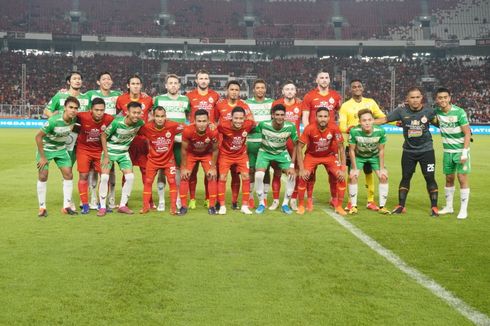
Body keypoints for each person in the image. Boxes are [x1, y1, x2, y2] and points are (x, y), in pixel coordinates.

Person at [375, 87, 439, 216]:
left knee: (430, 178)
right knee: (405, 177)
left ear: (422, 98)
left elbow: (442, 124)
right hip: (408, 152)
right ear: (407, 99)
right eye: (412, 97)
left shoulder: (429, 111)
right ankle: (401, 206)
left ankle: (434, 207)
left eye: (417, 97)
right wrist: (365, 123)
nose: (415, 100)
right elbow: (384, 120)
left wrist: (462, 128)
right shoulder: (401, 111)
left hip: (427, 151)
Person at [339, 79, 386, 211]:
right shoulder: (345, 106)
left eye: (359, 86)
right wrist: (352, 128)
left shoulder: (370, 102)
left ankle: (370, 201)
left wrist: (369, 124)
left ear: (363, 88)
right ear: (351, 89)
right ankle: (350, 202)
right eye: (354, 87)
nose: (357, 88)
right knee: (352, 173)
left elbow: (383, 118)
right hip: (355, 144)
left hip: (371, 143)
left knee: (369, 172)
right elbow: (342, 126)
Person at [301, 70, 342, 208]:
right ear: (316, 80)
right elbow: (305, 117)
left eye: (326, 77)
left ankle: (334, 198)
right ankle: (310, 199)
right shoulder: (309, 96)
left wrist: (338, 128)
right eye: (321, 78)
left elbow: (340, 113)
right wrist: (310, 134)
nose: (324, 80)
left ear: (329, 80)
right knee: (310, 173)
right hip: (314, 138)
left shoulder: (335, 96)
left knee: (333, 173)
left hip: (331, 140)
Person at [296, 107, 347, 216]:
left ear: (329, 117)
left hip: (329, 156)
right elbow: (299, 147)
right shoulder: (309, 128)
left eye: (325, 116)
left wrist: (343, 168)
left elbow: (341, 148)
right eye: (320, 116)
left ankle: (338, 205)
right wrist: (301, 169)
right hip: (312, 156)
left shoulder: (334, 128)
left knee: (341, 177)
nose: (322, 119)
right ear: (316, 117)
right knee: (303, 176)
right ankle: (302, 204)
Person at [98, 101, 145, 216]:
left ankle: (123, 205)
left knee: (130, 177)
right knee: (104, 177)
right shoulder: (117, 122)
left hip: (123, 152)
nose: (136, 115)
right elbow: (103, 135)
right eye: (133, 112)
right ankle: (103, 207)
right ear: (127, 112)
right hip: (109, 151)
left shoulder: (140, 123)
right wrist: (106, 156)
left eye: (138, 113)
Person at [35, 96, 79, 217]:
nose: (73, 110)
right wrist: (43, 157)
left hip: (61, 149)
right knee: (43, 176)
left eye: (76, 108)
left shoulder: (75, 120)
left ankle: (66, 207)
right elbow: (38, 137)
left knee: (69, 175)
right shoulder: (54, 120)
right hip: (46, 149)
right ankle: (42, 208)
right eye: (70, 107)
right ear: (65, 108)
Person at [85, 71, 122, 210]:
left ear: (112, 82)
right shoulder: (90, 94)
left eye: (109, 79)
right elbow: (79, 101)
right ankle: (93, 197)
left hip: (111, 136)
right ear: (98, 82)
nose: (107, 81)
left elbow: (128, 103)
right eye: (103, 79)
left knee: (110, 169)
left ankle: (111, 198)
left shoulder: (117, 95)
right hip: (94, 136)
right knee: (93, 169)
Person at [116, 75, 154, 207]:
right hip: (127, 141)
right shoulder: (121, 99)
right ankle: (124, 202)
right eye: (133, 83)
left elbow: (155, 114)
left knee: (146, 171)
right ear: (128, 85)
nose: (136, 86)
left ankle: (149, 201)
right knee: (126, 171)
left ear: (141, 86)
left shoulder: (148, 99)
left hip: (143, 141)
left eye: (138, 83)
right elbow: (116, 115)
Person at [153, 74, 190, 211]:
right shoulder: (159, 99)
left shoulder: (185, 100)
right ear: (166, 85)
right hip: (163, 141)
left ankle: (179, 198)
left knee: (179, 170)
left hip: (180, 140)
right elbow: (154, 118)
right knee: (162, 169)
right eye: (170, 83)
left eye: (176, 83)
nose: (173, 85)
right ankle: (162, 200)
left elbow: (188, 119)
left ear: (179, 85)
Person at [139, 106, 184, 215]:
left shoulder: (172, 125)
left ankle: (173, 208)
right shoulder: (146, 127)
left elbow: (188, 127)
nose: (160, 119)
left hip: (169, 160)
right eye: (157, 116)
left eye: (162, 116)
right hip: (153, 160)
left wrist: (208, 125)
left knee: (172, 182)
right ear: (153, 116)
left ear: (165, 117)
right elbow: (134, 128)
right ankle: (145, 207)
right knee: (148, 181)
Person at [215, 80, 253, 210]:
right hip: (223, 148)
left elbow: (251, 121)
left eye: (237, 90)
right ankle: (219, 202)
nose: (234, 92)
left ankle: (235, 202)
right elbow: (213, 123)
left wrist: (241, 132)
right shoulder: (220, 105)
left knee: (236, 176)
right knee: (221, 176)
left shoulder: (244, 105)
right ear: (227, 90)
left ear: (239, 91)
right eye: (232, 89)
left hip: (239, 147)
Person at [434, 88, 472, 219]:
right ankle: (449, 207)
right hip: (447, 152)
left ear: (449, 98)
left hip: (460, 151)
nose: (443, 100)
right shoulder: (437, 112)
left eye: (445, 97)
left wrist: (464, 152)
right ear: (436, 99)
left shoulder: (459, 112)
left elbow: (467, 133)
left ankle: (463, 210)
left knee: (462, 179)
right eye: (440, 97)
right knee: (449, 179)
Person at [185, 69, 220, 209]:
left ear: (209, 80)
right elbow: (186, 115)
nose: (203, 81)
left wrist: (214, 126)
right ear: (196, 80)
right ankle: (192, 199)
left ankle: (207, 198)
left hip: (209, 139)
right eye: (201, 78)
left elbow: (218, 116)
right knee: (191, 172)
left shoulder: (215, 96)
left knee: (209, 172)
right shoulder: (189, 96)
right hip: (193, 138)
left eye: (206, 78)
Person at [254, 104, 298, 215]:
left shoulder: (290, 127)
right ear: (272, 115)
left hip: (281, 153)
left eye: (282, 115)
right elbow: (251, 130)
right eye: (277, 114)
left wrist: (292, 165)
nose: (279, 117)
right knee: (259, 176)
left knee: (292, 175)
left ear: (285, 116)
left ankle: (285, 204)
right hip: (264, 152)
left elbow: (296, 145)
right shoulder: (263, 125)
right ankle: (261, 203)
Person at [75, 97, 114, 214]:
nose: (99, 112)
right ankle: (85, 204)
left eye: (102, 110)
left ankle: (102, 203)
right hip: (83, 150)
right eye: (96, 110)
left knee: (105, 177)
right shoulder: (82, 116)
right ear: (91, 109)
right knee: (83, 175)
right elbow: (67, 116)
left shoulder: (109, 119)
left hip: (100, 151)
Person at [348, 109, 390, 215]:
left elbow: (381, 150)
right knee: (353, 176)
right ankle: (353, 206)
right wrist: (353, 168)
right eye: (364, 120)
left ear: (373, 121)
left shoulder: (380, 131)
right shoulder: (354, 131)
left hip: (374, 157)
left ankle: (382, 206)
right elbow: (351, 150)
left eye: (369, 120)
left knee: (383, 176)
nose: (367, 122)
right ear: (360, 122)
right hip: (359, 157)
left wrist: (382, 168)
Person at [179, 109, 219, 215]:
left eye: (204, 121)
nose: (201, 124)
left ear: (208, 121)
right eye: (199, 121)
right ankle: (183, 206)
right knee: (185, 176)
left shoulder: (213, 131)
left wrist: (213, 167)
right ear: (194, 121)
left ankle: (212, 206)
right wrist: (184, 168)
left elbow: (215, 150)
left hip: (206, 154)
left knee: (212, 176)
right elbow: (183, 150)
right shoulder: (188, 130)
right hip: (191, 154)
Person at [217, 107, 255, 215]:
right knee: (223, 177)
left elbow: (254, 123)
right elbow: (213, 129)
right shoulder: (223, 125)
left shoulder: (248, 124)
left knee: (246, 176)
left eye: (241, 118)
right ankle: (223, 206)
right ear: (231, 118)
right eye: (236, 118)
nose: (238, 121)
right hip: (225, 155)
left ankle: (244, 206)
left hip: (241, 155)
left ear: (244, 118)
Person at [271, 80, 302, 210]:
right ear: (283, 91)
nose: (289, 91)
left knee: (297, 171)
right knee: (277, 172)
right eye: (287, 89)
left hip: (295, 143)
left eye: (292, 89)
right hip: (280, 142)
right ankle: (276, 200)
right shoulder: (276, 104)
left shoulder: (301, 104)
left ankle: (293, 199)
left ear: (295, 92)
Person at [245, 79, 274, 209]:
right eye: (258, 87)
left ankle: (265, 197)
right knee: (251, 170)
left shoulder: (271, 103)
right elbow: (247, 122)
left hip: (266, 142)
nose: (260, 90)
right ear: (254, 89)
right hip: (251, 142)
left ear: (265, 89)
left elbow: (273, 122)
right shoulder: (247, 103)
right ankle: (250, 197)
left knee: (266, 170)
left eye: (262, 87)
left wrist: (258, 125)